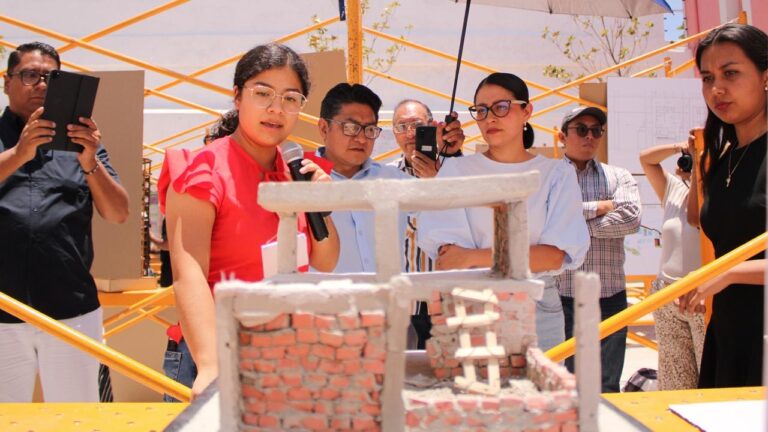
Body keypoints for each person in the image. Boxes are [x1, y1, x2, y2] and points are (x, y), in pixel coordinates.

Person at [159, 43, 339, 399]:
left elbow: (325, 260)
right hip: (218, 353)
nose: (276, 109)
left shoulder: (297, 171)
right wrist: (211, 365)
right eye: (263, 94)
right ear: (237, 96)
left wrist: (321, 203)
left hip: (286, 353)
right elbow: (188, 271)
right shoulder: (203, 168)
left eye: (291, 98)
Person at [418, 72, 590, 353]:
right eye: (481, 110)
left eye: (501, 107)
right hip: (471, 304)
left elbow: (554, 255)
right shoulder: (456, 170)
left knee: (540, 393)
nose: (490, 118)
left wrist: (475, 256)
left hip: (537, 305)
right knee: (473, 394)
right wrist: (518, 256)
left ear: (527, 111)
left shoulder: (556, 174)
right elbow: (449, 257)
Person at [0, 42, 129, 402]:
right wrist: (18, 154)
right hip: (2, 312)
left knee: (77, 419)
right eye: (29, 75)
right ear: (6, 82)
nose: (41, 84)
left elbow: (118, 213)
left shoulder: (81, 141)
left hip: (71, 311)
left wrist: (90, 161)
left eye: (50, 77)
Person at [685, 23, 767, 389]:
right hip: (728, 337)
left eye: (731, 73)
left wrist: (728, 274)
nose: (716, 89)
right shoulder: (723, 158)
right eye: (707, 77)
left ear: (766, 77)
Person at [555, 105, 641, 393]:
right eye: (581, 129)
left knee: (607, 385)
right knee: (568, 385)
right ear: (562, 136)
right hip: (563, 298)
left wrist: (573, 226)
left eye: (596, 131)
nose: (590, 136)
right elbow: (544, 221)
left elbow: (630, 219)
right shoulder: (549, 178)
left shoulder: (619, 176)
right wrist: (598, 208)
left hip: (610, 296)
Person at [389, 99, 465, 349]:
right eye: (402, 126)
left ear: (433, 127)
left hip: (450, 301)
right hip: (405, 304)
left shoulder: (458, 169)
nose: (410, 134)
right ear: (393, 132)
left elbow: (470, 220)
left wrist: (443, 175)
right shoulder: (386, 176)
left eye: (417, 126)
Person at [314, 83, 407, 273]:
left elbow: (445, 211)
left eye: (370, 130)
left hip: (387, 300)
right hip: (325, 300)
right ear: (324, 128)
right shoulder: (300, 180)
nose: (362, 139)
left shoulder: (395, 180)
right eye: (351, 127)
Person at [639, 141, 704, 390]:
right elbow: (646, 159)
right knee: (675, 378)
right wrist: (683, 147)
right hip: (666, 291)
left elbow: (696, 218)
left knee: (707, 372)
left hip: (701, 293)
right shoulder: (673, 189)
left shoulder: (717, 189)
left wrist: (700, 170)